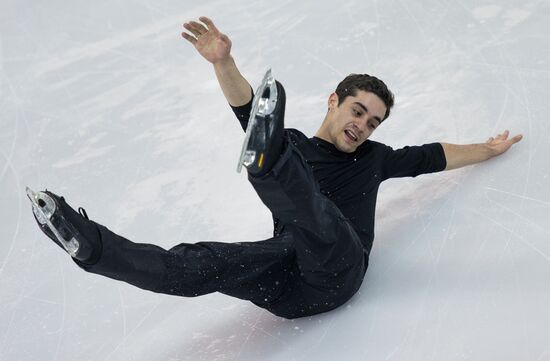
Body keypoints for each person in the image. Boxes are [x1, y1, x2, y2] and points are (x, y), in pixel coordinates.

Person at [29, 16, 523, 319]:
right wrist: (223, 62)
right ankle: (90, 246)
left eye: (373, 122)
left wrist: (488, 148)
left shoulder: (376, 159)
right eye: (358, 112)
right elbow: (246, 106)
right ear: (334, 101)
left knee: (316, 213)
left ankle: (265, 166)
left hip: (339, 268)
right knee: (202, 262)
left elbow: (435, 156)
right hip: (288, 290)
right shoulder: (291, 142)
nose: (363, 127)